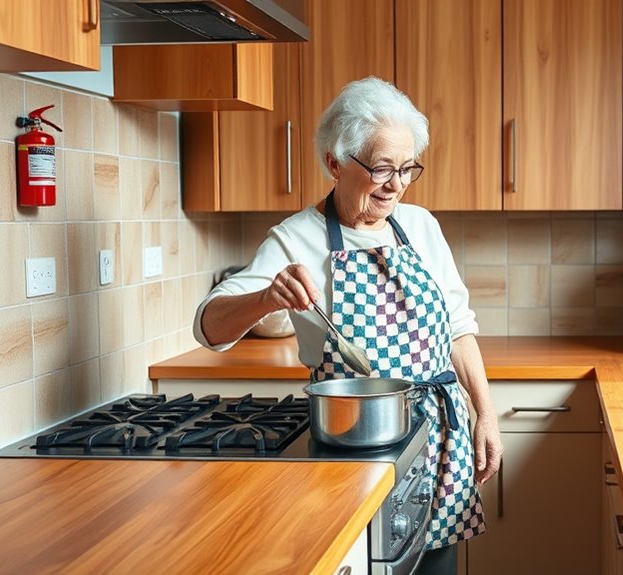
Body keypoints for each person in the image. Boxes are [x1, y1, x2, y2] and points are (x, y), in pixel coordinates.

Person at [193, 76, 503, 574]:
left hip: (438, 444)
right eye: (381, 167)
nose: (396, 184)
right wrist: (266, 296)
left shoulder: (421, 226)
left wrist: (485, 413)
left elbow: (458, 329)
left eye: (407, 168)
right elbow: (209, 328)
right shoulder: (297, 238)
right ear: (334, 162)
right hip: (352, 452)